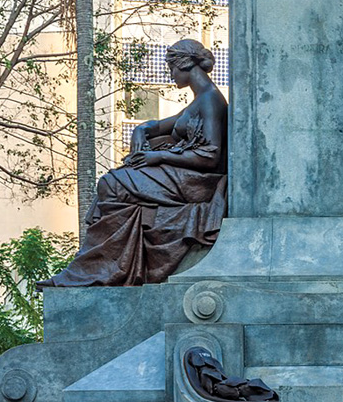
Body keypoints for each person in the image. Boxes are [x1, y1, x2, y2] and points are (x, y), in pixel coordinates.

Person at [39, 39, 227, 287]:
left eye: (171, 68)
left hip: (198, 182)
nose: (170, 75)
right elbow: (158, 126)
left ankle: (103, 269)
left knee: (112, 184)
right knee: (114, 185)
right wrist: (141, 128)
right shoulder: (197, 101)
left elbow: (210, 155)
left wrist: (158, 156)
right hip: (182, 174)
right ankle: (101, 267)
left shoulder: (211, 100)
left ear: (184, 64)